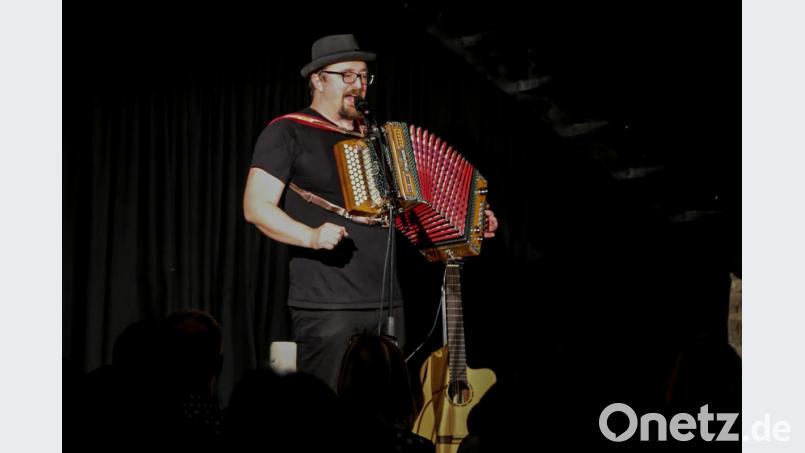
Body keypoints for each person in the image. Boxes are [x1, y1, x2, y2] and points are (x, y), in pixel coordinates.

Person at [243, 33, 498, 390]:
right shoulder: (288, 132)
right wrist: (310, 236)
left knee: (384, 412)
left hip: (388, 301)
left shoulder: (378, 138)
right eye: (346, 75)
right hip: (328, 304)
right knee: (329, 409)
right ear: (317, 79)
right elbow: (256, 207)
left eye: (363, 76)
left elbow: (411, 206)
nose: (358, 85)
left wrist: (470, 219)